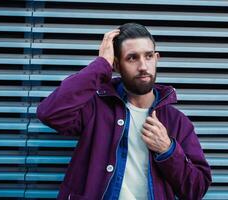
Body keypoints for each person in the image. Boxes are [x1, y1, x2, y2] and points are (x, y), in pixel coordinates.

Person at [37, 23, 211, 200]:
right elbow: (49, 113)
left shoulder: (176, 121)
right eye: (132, 58)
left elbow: (196, 189)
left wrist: (167, 149)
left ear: (157, 58)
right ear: (117, 66)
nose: (143, 66)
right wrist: (101, 65)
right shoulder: (95, 108)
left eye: (149, 56)